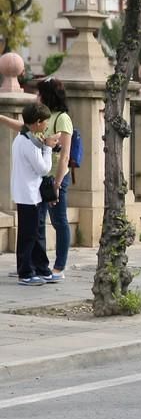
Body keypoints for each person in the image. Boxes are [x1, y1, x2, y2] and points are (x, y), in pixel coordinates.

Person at [0, 77, 74, 281]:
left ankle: (58, 267)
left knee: (58, 221)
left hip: (53, 177)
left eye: (39, 93)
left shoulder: (61, 118)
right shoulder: (34, 125)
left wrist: (57, 184)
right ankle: (34, 266)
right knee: (35, 226)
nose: (36, 96)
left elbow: (65, 155)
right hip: (38, 177)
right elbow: (24, 127)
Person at [12, 103, 55, 285]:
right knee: (28, 236)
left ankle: (41, 268)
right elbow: (44, 169)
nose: (46, 125)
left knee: (34, 233)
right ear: (37, 122)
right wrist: (49, 148)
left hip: (28, 194)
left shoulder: (22, 139)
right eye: (45, 122)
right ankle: (25, 272)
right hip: (28, 195)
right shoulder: (28, 143)